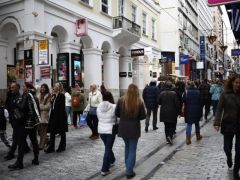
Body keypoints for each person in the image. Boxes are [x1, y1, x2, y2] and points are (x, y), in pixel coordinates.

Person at [115, 84, 146, 179]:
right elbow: (143, 116)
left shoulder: (121, 100)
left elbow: (117, 113)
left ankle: (128, 167)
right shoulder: (139, 102)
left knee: (127, 147)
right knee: (132, 149)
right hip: (134, 128)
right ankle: (129, 171)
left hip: (123, 127)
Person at [8, 82, 40, 170]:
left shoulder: (26, 95)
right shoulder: (34, 96)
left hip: (25, 123)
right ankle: (36, 159)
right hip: (33, 123)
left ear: (28, 88)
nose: (22, 87)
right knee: (34, 141)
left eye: (24, 86)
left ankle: (19, 163)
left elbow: (22, 107)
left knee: (21, 143)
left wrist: (16, 104)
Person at [213, 75, 240, 180]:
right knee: (227, 148)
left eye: (239, 83)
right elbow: (219, 109)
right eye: (236, 82)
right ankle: (229, 157)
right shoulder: (225, 94)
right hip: (228, 124)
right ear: (232, 83)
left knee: (239, 150)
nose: (238, 85)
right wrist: (217, 122)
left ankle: (236, 171)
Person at [4, 82, 30, 161]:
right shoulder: (11, 96)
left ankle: (13, 155)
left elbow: (20, 110)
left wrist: (17, 119)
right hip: (13, 120)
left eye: (13, 87)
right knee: (16, 138)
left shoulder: (20, 97)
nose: (11, 89)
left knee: (17, 138)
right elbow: (8, 104)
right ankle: (18, 152)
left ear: (17, 88)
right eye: (10, 87)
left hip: (19, 121)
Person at [97, 91, 116, 176]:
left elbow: (98, 117)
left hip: (101, 130)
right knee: (108, 148)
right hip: (110, 130)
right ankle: (104, 169)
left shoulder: (98, 106)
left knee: (107, 147)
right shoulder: (113, 107)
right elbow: (117, 118)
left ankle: (112, 159)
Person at [45, 82, 68, 153]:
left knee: (62, 131)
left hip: (60, 116)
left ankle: (62, 146)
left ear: (59, 88)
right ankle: (51, 147)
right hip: (54, 115)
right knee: (52, 131)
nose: (53, 87)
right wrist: (52, 100)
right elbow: (53, 106)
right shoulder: (54, 95)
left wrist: (59, 118)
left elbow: (61, 108)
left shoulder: (61, 95)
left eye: (55, 86)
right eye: (54, 86)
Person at [38, 84, 51, 150]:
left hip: (44, 116)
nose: (42, 88)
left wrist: (40, 106)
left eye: (44, 87)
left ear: (46, 88)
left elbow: (48, 106)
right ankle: (48, 140)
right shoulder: (39, 95)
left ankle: (41, 145)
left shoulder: (48, 96)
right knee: (40, 131)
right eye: (41, 87)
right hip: (39, 116)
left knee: (43, 131)